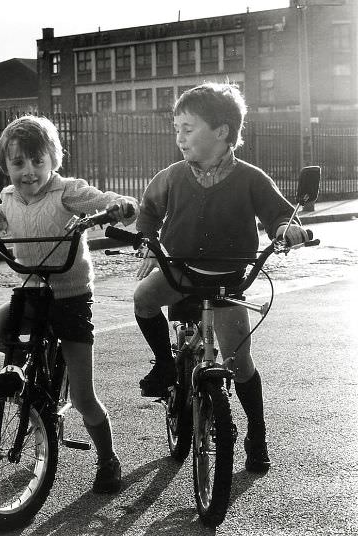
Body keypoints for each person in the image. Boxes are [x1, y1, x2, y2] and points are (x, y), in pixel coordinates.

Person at [132, 82, 308, 473]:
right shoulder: (172, 176)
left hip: (228, 278)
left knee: (240, 361)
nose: (179, 137)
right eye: (176, 127)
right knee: (143, 299)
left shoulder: (250, 178)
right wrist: (146, 240)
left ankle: (256, 432)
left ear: (222, 132)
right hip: (178, 268)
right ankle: (164, 364)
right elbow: (148, 212)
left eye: (188, 128)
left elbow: (280, 215)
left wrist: (287, 230)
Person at [0, 115, 138, 494]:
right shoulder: (9, 199)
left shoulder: (66, 192)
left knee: (82, 396)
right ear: (6, 166)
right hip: (31, 293)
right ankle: (36, 381)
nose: (28, 172)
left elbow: (98, 199)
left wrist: (119, 205)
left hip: (70, 297)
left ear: (53, 160)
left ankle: (108, 459)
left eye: (37, 162)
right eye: (18, 164)